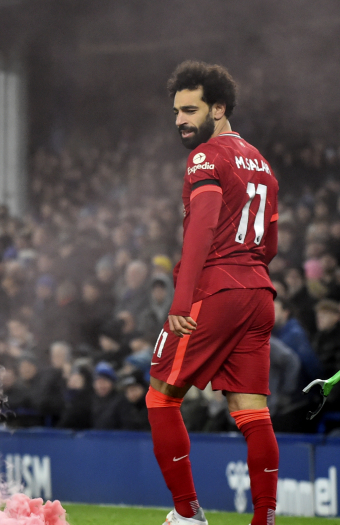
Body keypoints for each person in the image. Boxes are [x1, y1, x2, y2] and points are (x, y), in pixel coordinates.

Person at [149, 61, 280, 525]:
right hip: (259, 292)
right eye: (177, 111)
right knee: (251, 412)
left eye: (190, 109)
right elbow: (271, 243)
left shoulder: (206, 157)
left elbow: (201, 230)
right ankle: (264, 520)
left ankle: (187, 515)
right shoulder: (261, 163)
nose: (180, 120)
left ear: (218, 108)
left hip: (216, 288)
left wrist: (181, 302)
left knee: (161, 398)